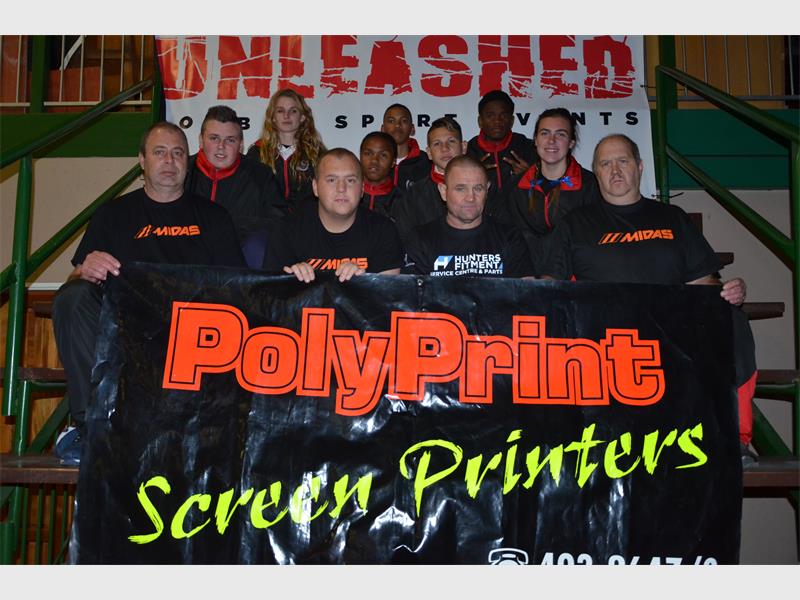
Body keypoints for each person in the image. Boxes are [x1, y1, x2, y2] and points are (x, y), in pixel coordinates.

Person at [540, 133, 756, 461]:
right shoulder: (575, 224)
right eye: (605, 164)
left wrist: (728, 292)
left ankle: (733, 439)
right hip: (604, 336)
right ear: (595, 173)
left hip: (672, 330)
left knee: (732, 322)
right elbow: (549, 286)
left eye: (623, 161)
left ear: (639, 167)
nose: (615, 170)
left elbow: (704, 283)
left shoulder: (673, 218)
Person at [51, 122, 247, 464]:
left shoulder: (214, 217)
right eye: (159, 152)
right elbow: (75, 282)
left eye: (177, 153)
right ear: (142, 160)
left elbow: (238, 289)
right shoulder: (113, 214)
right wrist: (84, 270)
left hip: (194, 335)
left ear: (188, 162)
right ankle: (90, 427)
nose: (169, 161)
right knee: (72, 296)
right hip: (128, 332)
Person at [262, 148, 404, 283]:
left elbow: (390, 296)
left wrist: (364, 283)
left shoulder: (384, 231)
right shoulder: (286, 230)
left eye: (350, 180)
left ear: (362, 189)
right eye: (331, 180)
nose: (341, 188)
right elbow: (269, 296)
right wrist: (291, 284)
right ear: (315, 187)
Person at [403, 155, 534, 278]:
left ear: (487, 191)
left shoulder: (509, 237)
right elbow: (411, 292)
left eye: (478, 188)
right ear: (443, 192)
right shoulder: (421, 239)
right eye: (461, 189)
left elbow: (526, 290)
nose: (471, 198)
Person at [184, 105, 285, 265]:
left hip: (240, 262)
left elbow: (279, 223)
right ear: (201, 141)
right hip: (188, 261)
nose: (221, 146)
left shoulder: (261, 176)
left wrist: (230, 226)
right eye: (214, 138)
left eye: (230, 140)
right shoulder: (182, 171)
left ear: (241, 145)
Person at [505, 107, 600, 273]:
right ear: (535, 140)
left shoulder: (591, 186)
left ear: (571, 143)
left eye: (560, 134)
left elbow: (595, 243)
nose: (551, 140)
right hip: (526, 281)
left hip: (575, 281)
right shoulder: (515, 187)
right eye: (544, 133)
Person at [390, 116, 466, 244]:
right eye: (437, 144)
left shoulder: (483, 189)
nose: (445, 148)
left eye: (451, 141)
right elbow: (406, 239)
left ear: (463, 147)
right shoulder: (412, 196)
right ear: (429, 153)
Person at [247, 89, 326, 212]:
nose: (286, 116)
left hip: (306, 220)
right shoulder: (257, 153)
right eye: (280, 111)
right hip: (267, 222)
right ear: (272, 117)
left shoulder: (317, 153)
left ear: (302, 117)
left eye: (293, 111)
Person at [466, 89, 534, 210]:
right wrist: (473, 176)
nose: (497, 121)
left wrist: (530, 176)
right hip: (480, 217)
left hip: (521, 218)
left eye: (503, 115)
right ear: (480, 121)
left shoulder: (529, 147)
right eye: (490, 115)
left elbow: (548, 190)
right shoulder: (468, 151)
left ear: (512, 121)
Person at [381, 103, 430, 188]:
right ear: (383, 129)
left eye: (404, 121)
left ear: (412, 129)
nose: (397, 125)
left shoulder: (426, 161)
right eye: (391, 121)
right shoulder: (374, 162)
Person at [359, 131, 405, 217]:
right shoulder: (346, 196)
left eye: (383, 155)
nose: (374, 160)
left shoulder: (404, 202)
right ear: (360, 157)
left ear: (393, 162)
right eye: (368, 153)